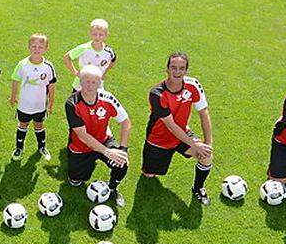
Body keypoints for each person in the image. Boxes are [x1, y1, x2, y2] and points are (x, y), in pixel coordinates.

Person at [141, 53, 213, 205]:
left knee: (206, 156)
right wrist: (195, 144)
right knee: (149, 175)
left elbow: (203, 112)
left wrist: (208, 143)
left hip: (182, 134)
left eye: (181, 68)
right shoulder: (157, 94)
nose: (177, 71)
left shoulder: (193, 85)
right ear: (167, 69)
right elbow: (171, 126)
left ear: (186, 70)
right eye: (173, 67)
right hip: (158, 139)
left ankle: (198, 188)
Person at [65, 65, 131, 207]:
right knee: (75, 180)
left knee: (122, 162)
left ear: (100, 83)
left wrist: (122, 149)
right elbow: (82, 135)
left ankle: (113, 188)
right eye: (86, 81)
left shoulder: (108, 98)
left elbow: (125, 122)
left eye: (94, 82)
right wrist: (107, 152)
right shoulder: (72, 103)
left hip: (104, 140)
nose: (89, 85)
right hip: (80, 146)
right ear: (80, 82)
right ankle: (81, 171)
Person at [8, 33, 57, 160]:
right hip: (24, 105)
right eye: (34, 46)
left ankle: (42, 147)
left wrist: (51, 102)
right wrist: (13, 97)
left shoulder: (48, 66)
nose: (37, 49)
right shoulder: (22, 64)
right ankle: (19, 148)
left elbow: (51, 85)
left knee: (39, 125)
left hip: (40, 105)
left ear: (46, 49)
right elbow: (15, 80)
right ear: (29, 47)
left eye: (40, 47)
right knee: (22, 124)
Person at [63, 19, 116, 90]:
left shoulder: (109, 52)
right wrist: (75, 72)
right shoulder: (84, 48)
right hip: (80, 86)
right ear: (90, 33)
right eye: (95, 34)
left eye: (101, 35)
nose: (97, 37)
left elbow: (113, 59)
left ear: (106, 35)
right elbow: (67, 57)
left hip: (98, 86)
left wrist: (104, 73)